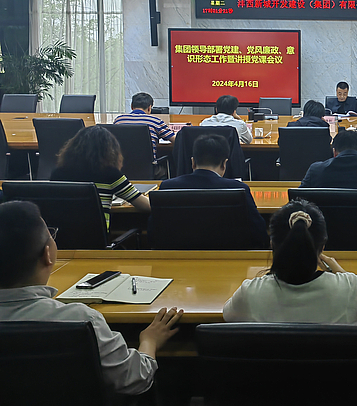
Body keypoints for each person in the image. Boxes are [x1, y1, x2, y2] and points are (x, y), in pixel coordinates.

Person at [0, 200, 183, 395]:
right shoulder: (79, 319)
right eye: (50, 235)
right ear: (48, 254)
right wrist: (149, 341)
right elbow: (134, 379)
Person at [223, 200, 357, 322]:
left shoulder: (249, 294)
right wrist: (344, 274)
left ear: (272, 244)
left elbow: (227, 314)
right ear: (322, 247)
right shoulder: (349, 289)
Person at [157, 134, 268, 248]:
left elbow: (155, 231)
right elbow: (259, 232)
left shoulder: (167, 186)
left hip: (177, 257)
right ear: (224, 164)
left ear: (193, 162)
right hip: (229, 256)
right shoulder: (239, 188)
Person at [51, 125, 150, 214]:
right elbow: (147, 206)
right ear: (110, 151)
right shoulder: (111, 175)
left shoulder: (58, 174)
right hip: (95, 229)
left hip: (60, 229)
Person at [113, 92, 175, 165]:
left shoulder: (119, 120)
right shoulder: (155, 121)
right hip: (148, 168)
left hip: (121, 167)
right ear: (149, 108)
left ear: (131, 106)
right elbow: (176, 140)